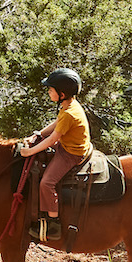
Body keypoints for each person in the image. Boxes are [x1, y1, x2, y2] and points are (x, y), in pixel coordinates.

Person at [19, 67, 90, 242]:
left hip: (71, 154)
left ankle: (53, 222)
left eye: (51, 90)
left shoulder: (69, 114)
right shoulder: (68, 105)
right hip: (67, 146)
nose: (49, 92)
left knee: (46, 183)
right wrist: (38, 135)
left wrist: (30, 151)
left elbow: (53, 140)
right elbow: (55, 124)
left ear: (62, 93)